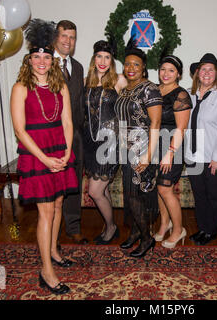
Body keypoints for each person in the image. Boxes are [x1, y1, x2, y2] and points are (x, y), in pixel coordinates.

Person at [11, 19, 75, 295]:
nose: (41, 61)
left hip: (60, 150)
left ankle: (54, 251)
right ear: (28, 60)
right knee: (46, 211)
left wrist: (67, 152)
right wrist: (46, 160)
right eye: (36, 56)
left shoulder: (61, 86)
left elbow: (68, 122)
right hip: (36, 154)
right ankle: (46, 271)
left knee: (59, 204)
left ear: (52, 60)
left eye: (46, 56)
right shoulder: (20, 88)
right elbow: (19, 130)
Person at [115, 41, 163, 258]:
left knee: (137, 197)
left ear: (143, 67)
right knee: (130, 194)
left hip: (144, 149)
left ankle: (147, 238)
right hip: (126, 150)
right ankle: (135, 232)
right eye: (127, 64)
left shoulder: (150, 88)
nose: (131, 68)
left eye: (136, 64)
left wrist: (148, 154)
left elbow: (155, 123)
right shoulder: (125, 89)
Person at [185, 53, 217, 246]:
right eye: (203, 69)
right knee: (200, 195)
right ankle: (202, 228)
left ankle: (211, 230)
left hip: (213, 157)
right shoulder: (189, 95)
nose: (206, 73)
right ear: (197, 73)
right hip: (193, 156)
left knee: (213, 196)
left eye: (210, 70)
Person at [83, 40, 127, 245]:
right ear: (94, 59)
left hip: (109, 145)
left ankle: (110, 227)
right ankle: (112, 225)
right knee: (104, 188)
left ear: (112, 60)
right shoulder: (86, 81)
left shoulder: (119, 80)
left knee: (95, 191)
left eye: (107, 57)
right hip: (90, 144)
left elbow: (130, 111)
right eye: (99, 56)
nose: (102, 61)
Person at [54, 20, 88, 245]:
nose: (68, 41)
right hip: (52, 136)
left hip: (75, 135)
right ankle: (50, 230)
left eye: (72, 37)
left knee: (73, 182)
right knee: (53, 185)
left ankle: (73, 226)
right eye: (64, 36)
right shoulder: (42, 63)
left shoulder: (77, 67)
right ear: (55, 38)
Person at [153, 55, 192, 249]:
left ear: (178, 73)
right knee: (160, 188)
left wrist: (169, 153)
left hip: (172, 147)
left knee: (165, 188)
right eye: (163, 69)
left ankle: (178, 230)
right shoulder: (155, 90)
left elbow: (181, 128)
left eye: (171, 70)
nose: (166, 74)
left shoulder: (181, 94)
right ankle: (164, 224)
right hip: (155, 146)